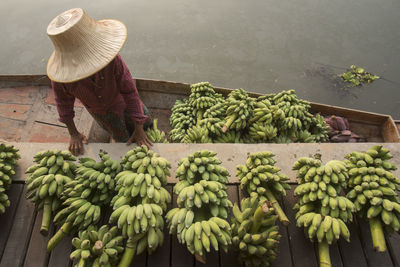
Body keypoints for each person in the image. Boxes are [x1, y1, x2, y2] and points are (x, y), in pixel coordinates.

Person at [46, 8, 153, 155]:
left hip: (123, 101)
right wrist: (73, 134)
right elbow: (63, 105)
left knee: (147, 122)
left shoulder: (112, 61)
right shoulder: (62, 77)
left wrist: (139, 129)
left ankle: (141, 126)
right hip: (102, 114)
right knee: (123, 140)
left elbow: (130, 92)